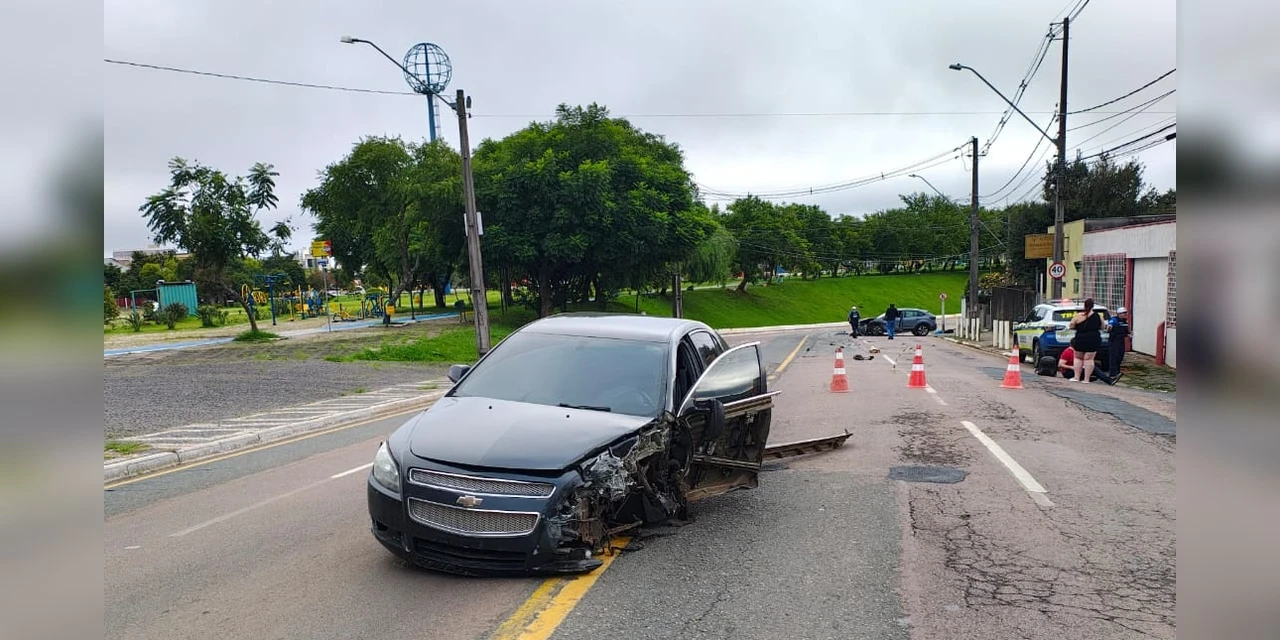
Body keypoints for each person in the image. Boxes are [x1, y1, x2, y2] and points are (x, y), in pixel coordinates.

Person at [1067, 298, 1104, 383]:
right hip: (1094, 339)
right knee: (1089, 359)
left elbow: (1071, 325)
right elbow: (1102, 326)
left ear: (1084, 305)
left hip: (1081, 338)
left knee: (1078, 357)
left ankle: (1076, 377)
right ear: (1093, 306)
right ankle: (1086, 379)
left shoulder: (1078, 315)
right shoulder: (1098, 316)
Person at [1106, 306, 1129, 381]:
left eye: (1126, 313)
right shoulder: (1114, 320)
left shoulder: (1125, 321)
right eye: (1123, 313)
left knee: (1120, 356)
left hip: (1121, 341)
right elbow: (1110, 325)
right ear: (1119, 314)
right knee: (1114, 357)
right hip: (1114, 341)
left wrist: (1129, 334)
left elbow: (1126, 331)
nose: (1125, 314)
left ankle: (1118, 372)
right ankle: (1112, 374)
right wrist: (1109, 327)